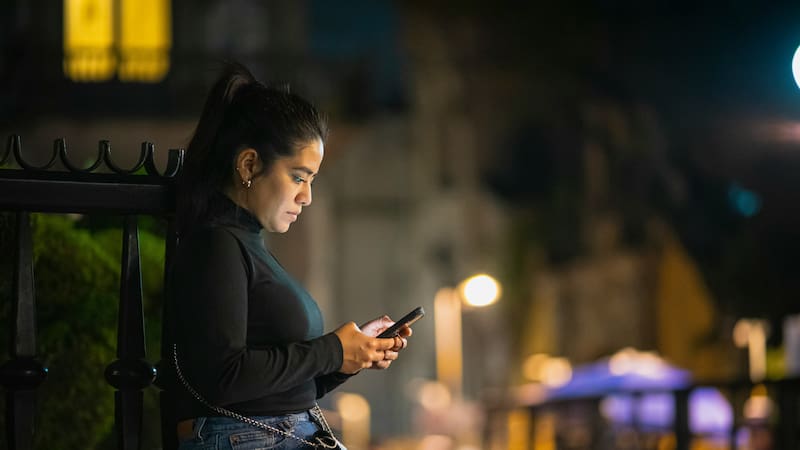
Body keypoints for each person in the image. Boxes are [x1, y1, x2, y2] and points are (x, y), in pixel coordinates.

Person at [164, 62, 412, 450]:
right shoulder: (215, 244)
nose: (306, 196)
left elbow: (276, 386)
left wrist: (349, 356)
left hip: (275, 433)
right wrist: (332, 350)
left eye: (311, 181)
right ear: (249, 165)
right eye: (298, 177)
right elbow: (223, 375)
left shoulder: (245, 243)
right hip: (248, 439)